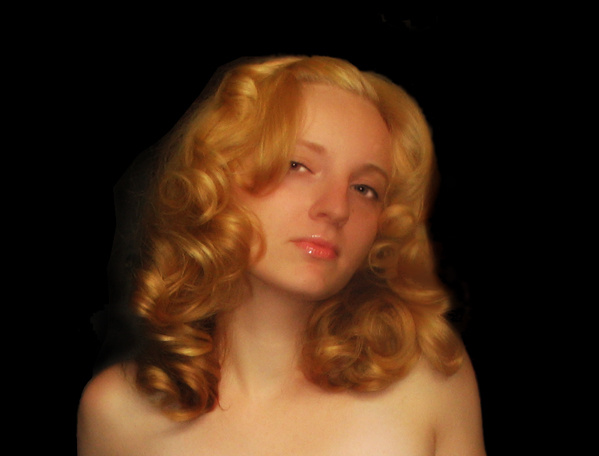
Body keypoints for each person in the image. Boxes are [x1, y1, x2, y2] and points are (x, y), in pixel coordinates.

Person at [77, 55, 486, 455]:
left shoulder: (429, 384)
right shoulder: (117, 414)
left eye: (365, 189)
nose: (336, 208)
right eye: (298, 165)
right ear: (216, 178)